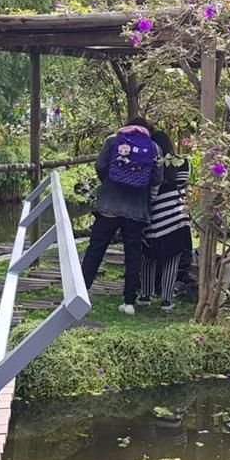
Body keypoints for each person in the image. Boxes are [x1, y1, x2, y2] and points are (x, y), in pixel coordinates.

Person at [80, 117, 163, 315]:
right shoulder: (154, 147)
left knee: (95, 250)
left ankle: (81, 294)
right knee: (133, 254)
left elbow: (100, 166)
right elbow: (157, 178)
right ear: (148, 130)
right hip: (136, 210)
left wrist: (111, 182)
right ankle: (129, 302)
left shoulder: (113, 140)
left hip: (108, 206)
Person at [138, 129, 192, 312]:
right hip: (177, 215)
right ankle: (166, 300)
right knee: (172, 258)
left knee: (148, 256)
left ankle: (145, 295)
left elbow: (148, 187)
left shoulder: (151, 162)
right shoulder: (183, 162)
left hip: (153, 215)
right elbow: (183, 184)